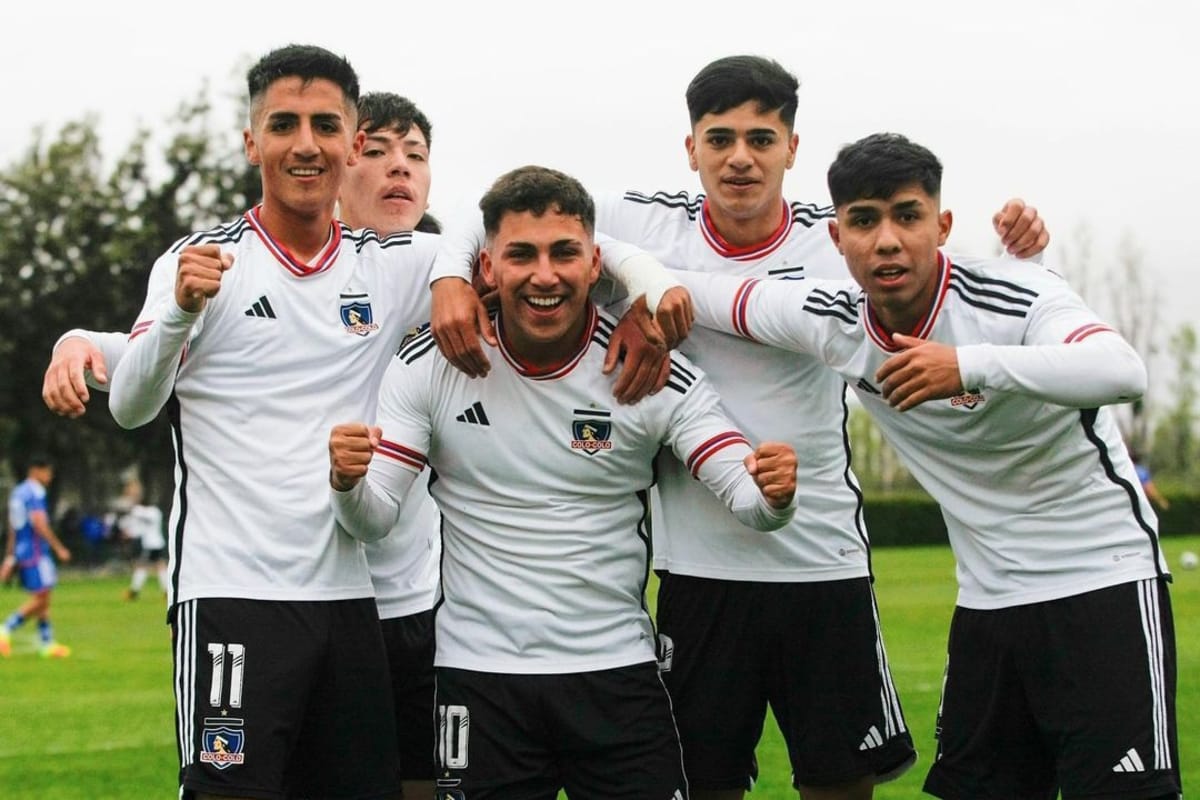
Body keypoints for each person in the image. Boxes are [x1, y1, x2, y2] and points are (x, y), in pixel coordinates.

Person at [46, 45, 685, 798]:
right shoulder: (203, 259)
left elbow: (531, 238)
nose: (306, 143)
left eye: (326, 125)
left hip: (354, 598)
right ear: (253, 143)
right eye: (283, 124)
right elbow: (133, 404)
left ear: (348, 142)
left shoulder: (393, 265)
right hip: (233, 592)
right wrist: (150, 319)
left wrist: (643, 291)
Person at [426, 55, 1049, 800]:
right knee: (704, 780)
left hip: (819, 557)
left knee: (841, 779)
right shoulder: (639, 220)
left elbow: (935, 284)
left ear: (793, 148)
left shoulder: (835, 240)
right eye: (719, 139)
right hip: (696, 569)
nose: (740, 158)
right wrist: (453, 277)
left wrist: (1033, 258)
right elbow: (494, 206)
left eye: (761, 137)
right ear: (691, 149)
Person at [671, 131, 1179, 800]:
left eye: (907, 216)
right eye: (863, 220)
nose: (887, 240)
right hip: (988, 604)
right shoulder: (834, 322)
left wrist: (964, 367)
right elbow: (698, 293)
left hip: (1103, 584)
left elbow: (1122, 370)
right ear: (837, 239)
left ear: (941, 225)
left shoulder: (1016, 293)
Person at [328, 165, 799, 800]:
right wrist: (347, 484)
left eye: (563, 253)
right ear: (488, 267)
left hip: (617, 674)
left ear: (595, 262)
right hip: (480, 677)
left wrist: (773, 492)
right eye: (521, 254)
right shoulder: (430, 366)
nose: (544, 276)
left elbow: (749, 503)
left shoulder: (649, 368)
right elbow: (374, 518)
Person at [1, 454, 72, 659]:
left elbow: (14, 527)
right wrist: (59, 548)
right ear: (36, 471)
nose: (49, 476)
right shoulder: (34, 492)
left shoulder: (18, 493)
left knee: (43, 597)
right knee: (42, 597)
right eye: (47, 472)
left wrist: (10, 556)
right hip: (36, 551)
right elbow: (39, 523)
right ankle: (5, 629)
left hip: (24, 550)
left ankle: (46, 643)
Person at [115, 478, 168, 601]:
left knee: (142, 566)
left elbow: (136, 512)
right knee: (160, 566)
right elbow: (139, 526)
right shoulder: (151, 512)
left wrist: (132, 497)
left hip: (151, 544)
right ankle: (166, 591)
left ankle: (134, 592)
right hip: (155, 543)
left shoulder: (151, 512)